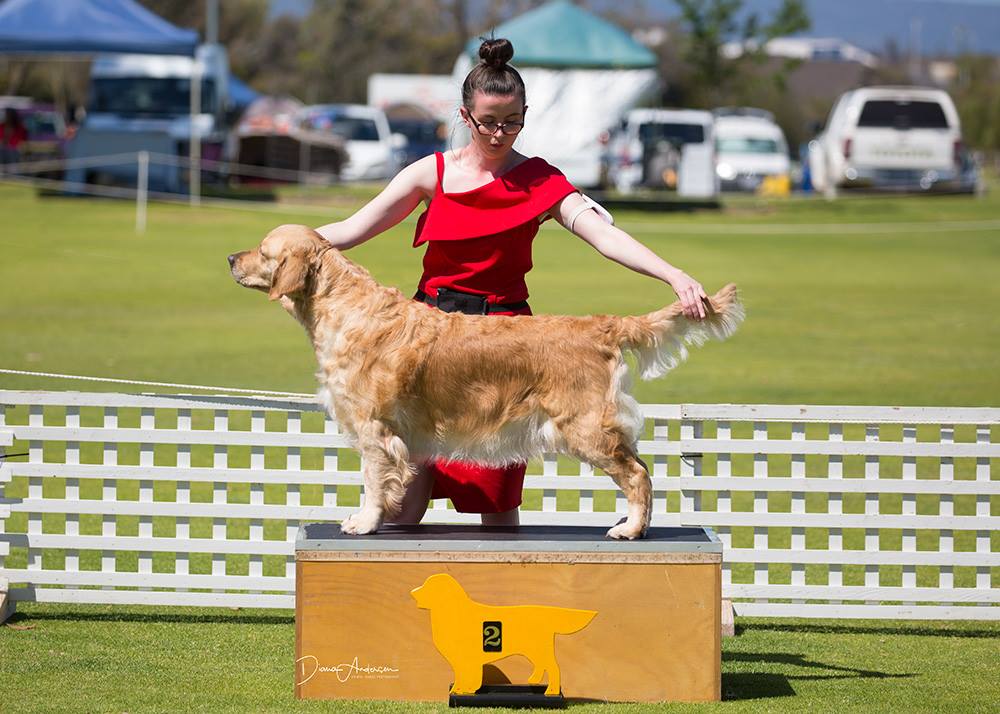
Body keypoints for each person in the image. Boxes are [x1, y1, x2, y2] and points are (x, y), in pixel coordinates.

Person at [314, 37, 710, 527]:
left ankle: (500, 602)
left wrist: (673, 275)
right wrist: (284, 246)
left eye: (513, 121)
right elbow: (351, 231)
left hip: (507, 350)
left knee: (497, 507)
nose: (500, 133)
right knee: (402, 507)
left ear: (525, 114)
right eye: (488, 123)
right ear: (465, 117)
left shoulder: (541, 180)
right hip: (424, 349)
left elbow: (604, 236)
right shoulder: (430, 174)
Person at [0, 107, 28, 172]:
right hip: (2, 150)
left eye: (8, 114)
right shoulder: (1, 126)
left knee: (12, 170)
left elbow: (24, 139)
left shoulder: (19, 127)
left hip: (14, 151)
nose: (7, 116)